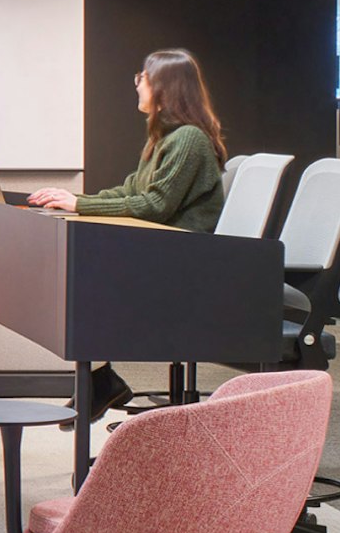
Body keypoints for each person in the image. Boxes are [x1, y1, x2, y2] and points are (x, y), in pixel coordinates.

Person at [25, 47, 229, 422]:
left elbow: (155, 205)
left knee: (84, 277)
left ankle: (101, 381)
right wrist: (74, 200)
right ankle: (100, 379)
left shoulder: (188, 140)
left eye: (143, 78)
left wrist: (79, 205)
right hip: (162, 253)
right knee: (78, 275)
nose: (136, 84)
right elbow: (131, 190)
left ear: (165, 87)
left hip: (185, 265)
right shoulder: (163, 139)